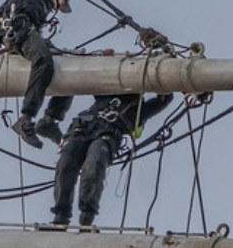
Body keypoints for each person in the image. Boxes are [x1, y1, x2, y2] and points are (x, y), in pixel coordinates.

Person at [46, 92, 175, 231]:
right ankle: (61, 216)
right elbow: (94, 80)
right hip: (81, 129)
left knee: (94, 165)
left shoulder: (141, 110)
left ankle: (86, 217)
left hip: (108, 134)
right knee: (65, 166)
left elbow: (165, 99)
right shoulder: (105, 94)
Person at [0, 0, 76, 148]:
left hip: (24, 30)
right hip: (20, 28)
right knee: (43, 60)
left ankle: (50, 119)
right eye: (55, 4)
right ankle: (26, 118)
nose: (53, 9)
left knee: (69, 64)